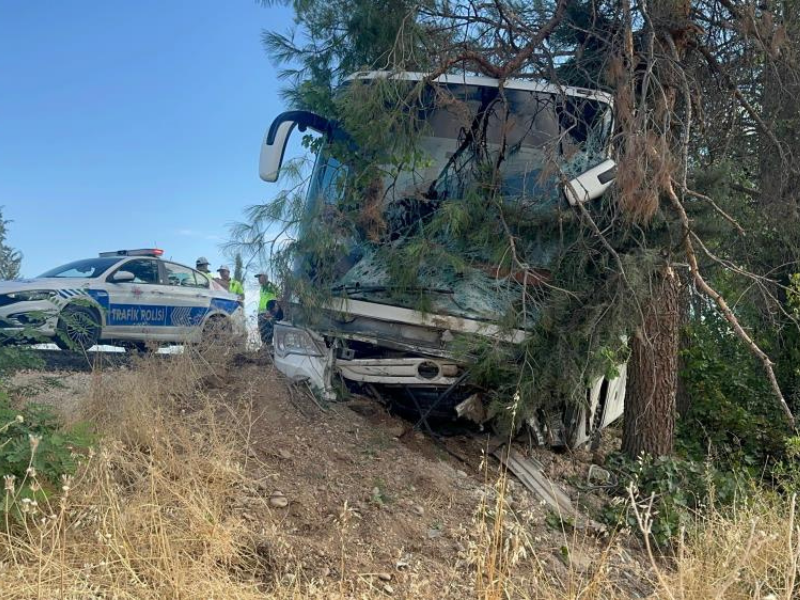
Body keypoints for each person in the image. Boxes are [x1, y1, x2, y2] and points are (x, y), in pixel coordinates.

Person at [256, 273, 280, 346]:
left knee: (268, 331)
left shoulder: (271, 286)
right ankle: (264, 347)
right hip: (261, 313)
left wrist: (271, 310)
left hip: (268, 312)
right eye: (258, 278)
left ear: (265, 277)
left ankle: (268, 346)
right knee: (262, 330)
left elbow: (277, 297)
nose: (258, 279)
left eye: (260, 277)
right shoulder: (261, 288)